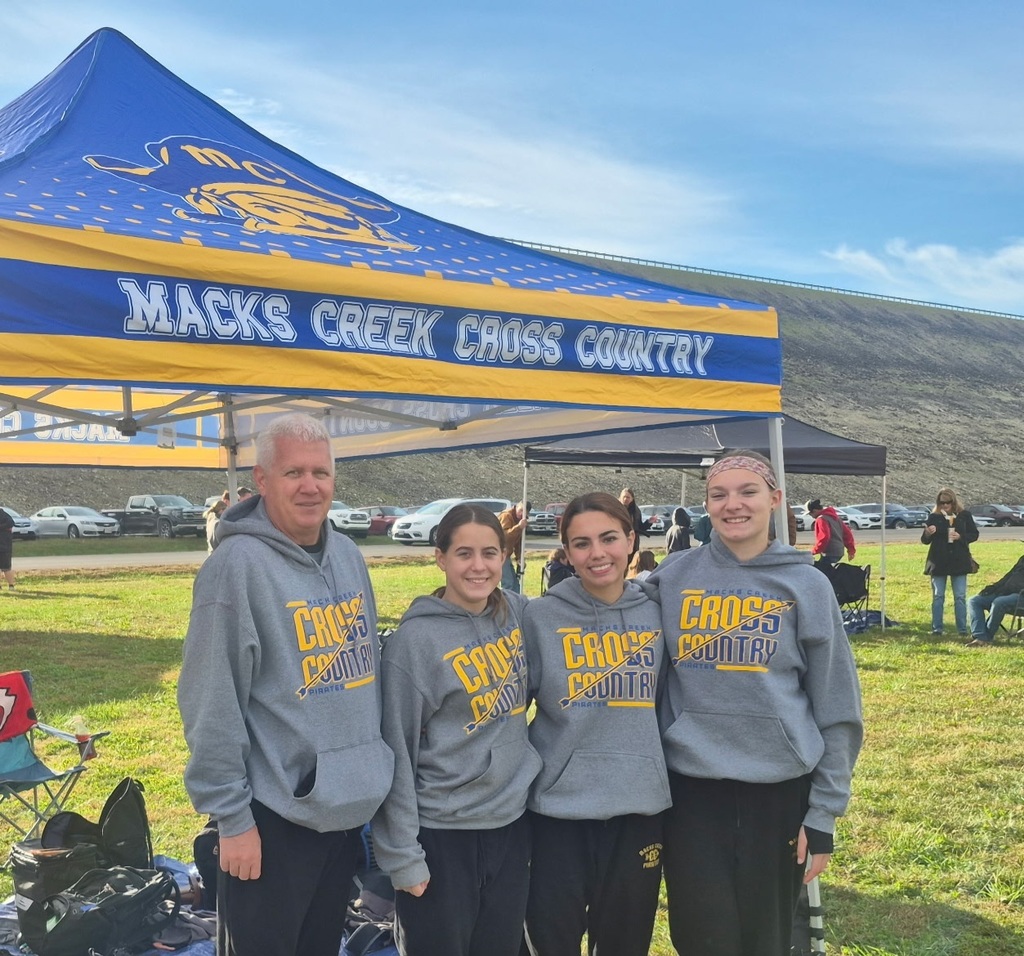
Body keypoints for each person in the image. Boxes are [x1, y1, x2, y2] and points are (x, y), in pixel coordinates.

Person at [178, 412, 393, 956]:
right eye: (293, 472)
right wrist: (232, 820)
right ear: (262, 479)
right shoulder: (235, 568)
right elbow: (210, 700)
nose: (310, 486)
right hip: (271, 820)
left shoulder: (347, 555)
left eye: (320, 472)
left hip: (342, 814)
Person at [648, 450, 863, 956]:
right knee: (701, 938)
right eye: (719, 494)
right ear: (706, 505)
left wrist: (824, 813)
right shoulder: (673, 577)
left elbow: (837, 706)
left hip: (779, 794)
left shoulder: (807, 584)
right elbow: (609, 605)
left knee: (768, 940)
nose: (733, 504)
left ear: (775, 499)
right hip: (692, 792)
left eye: (748, 492)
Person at [372, 504, 540, 956]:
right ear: (441, 558)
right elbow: (396, 750)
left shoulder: (516, 614)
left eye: (490, 553)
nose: (478, 566)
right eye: (464, 553)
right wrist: (403, 856)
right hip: (442, 835)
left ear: (504, 557)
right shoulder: (414, 644)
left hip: (509, 825)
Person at [522, 492, 668, 956]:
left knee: (625, 945)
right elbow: (506, 708)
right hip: (557, 813)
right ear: (566, 553)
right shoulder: (539, 617)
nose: (597, 553)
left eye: (609, 538)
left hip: (638, 809)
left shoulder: (660, 613)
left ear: (631, 540)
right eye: (581, 543)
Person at [922, 488, 979, 636]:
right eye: (942, 503)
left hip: (959, 560)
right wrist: (928, 533)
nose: (945, 505)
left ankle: (962, 629)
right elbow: (925, 540)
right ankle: (937, 629)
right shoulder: (934, 517)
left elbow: (974, 534)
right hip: (938, 560)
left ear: (954, 502)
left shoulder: (964, 515)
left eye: (948, 502)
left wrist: (960, 537)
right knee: (938, 596)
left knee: (960, 596)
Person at [967, 554, 1024, 647]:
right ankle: (979, 635)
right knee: (974, 601)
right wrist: (994, 587)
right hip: (1006, 593)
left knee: (999, 602)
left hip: (1021, 596)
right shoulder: (1023, 559)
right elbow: (1008, 577)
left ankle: (984, 639)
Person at [806, 498, 856, 568]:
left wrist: (814, 551)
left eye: (810, 514)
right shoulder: (835, 517)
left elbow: (824, 537)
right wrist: (851, 550)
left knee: (823, 571)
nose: (811, 516)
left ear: (814, 511)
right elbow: (847, 534)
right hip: (839, 551)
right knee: (831, 571)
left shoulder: (821, 519)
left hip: (829, 552)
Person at [498, 500, 530, 593]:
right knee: (508, 584)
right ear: (516, 507)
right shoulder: (506, 516)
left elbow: (518, 542)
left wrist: (519, 557)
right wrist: (518, 527)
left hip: (507, 555)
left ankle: (516, 601)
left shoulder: (520, 520)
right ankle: (506, 601)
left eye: (524, 513)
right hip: (499, 553)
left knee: (515, 584)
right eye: (521, 510)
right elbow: (504, 537)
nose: (521, 514)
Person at [618, 488, 646, 560]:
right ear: (620, 497)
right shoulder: (615, 509)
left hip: (633, 542)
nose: (625, 499)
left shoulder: (636, 511)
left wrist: (649, 522)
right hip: (619, 540)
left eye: (628, 497)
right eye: (624, 497)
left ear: (632, 499)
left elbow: (640, 527)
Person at [0, 506, 15, 590]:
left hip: (4, 546)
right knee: (7, 568)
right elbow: (11, 523)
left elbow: (11, 523)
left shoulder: (3, 515)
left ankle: (11, 585)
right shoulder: (5, 515)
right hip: (5, 546)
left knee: (6, 568)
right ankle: (11, 586)